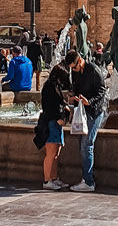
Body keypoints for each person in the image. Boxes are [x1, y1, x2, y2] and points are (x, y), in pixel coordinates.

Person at [66, 48, 107, 193]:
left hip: (95, 112)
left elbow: (102, 90)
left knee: (87, 144)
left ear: (80, 61)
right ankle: (86, 178)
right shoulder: (76, 72)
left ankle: (88, 182)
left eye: (74, 67)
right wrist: (74, 96)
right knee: (82, 145)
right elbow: (76, 89)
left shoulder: (93, 69)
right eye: (72, 69)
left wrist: (89, 101)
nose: (74, 70)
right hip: (82, 112)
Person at [39, 63, 71, 189]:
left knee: (56, 153)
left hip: (56, 122)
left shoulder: (55, 85)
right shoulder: (49, 86)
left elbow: (58, 102)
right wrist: (58, 118)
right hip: (51, 122)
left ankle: (54, 178)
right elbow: (48, 106)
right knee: (50, 154)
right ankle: (47, 181)